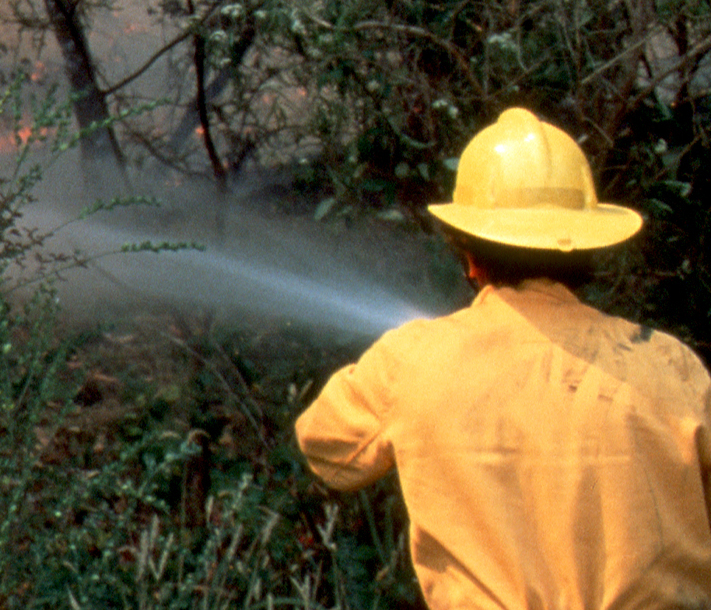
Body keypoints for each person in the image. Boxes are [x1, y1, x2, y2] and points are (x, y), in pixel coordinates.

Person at [295, 107, 711, 609]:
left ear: (469, 254)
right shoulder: (671, 364)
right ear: (586, 249)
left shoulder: (411, 361)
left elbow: (325, 450)